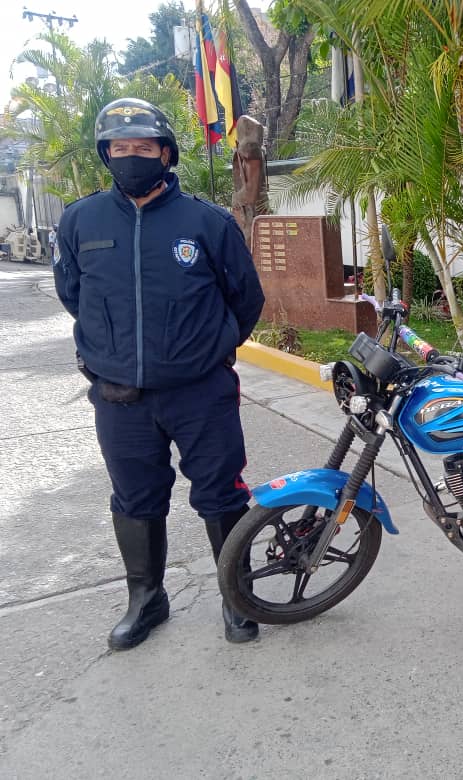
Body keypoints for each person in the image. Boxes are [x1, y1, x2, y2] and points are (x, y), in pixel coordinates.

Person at [53, 98, 266, 649]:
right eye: (119, 149)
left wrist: (207, 351)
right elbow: (73, 295)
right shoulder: (80, 220)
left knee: (221, 495)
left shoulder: (207, 221)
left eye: (143, 148)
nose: (130, 157)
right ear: (106, 155)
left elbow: (245, 300)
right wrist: (113, 353)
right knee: (134, 499)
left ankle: (235, 595)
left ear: (166, 154)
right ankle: (147, 599)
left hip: (201, 393)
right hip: (120, 396)